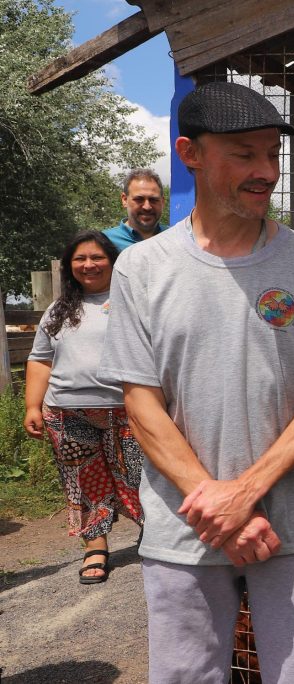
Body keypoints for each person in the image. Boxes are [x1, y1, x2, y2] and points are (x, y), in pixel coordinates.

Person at [99, 81, 294, 682]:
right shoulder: (142, 268)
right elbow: (141, 405)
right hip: (183, 530)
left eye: (272, 154)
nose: (266, 171)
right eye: (244, 154)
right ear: (189, 153)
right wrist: (217, 505)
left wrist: (243, 493)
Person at [23, 231, 144, 585]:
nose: (89, 265)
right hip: (67, 411)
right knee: (83, 482)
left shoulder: (132, 302)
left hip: (126, 409)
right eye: (80, 259)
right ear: (69, 266)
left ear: (112, 261)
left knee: (140, 479)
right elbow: (40, 359)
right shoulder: (59, 309)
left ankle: (155, 536)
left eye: (97, 258)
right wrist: (32, 404)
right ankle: (96, 548)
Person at [103, 168, 167, 252]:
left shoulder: (175, 238)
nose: (147, 207)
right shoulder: (105, 241)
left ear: (162, 202)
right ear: (124, 200)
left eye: (153, 200)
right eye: (139, 199)